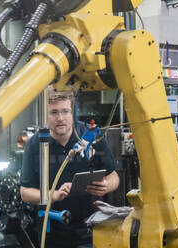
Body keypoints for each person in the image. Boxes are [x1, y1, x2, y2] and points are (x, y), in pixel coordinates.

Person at [20, 88, 119, 248]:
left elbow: (113, 176)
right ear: (46, 114)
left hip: (92, 228)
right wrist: (54, 195)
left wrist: (106, 186)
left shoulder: (91, 135)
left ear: (73, 112)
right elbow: (25, 193)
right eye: (54, 112)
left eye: (66, 111)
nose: (60, 118)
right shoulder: (35, 144)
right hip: (52, 231)